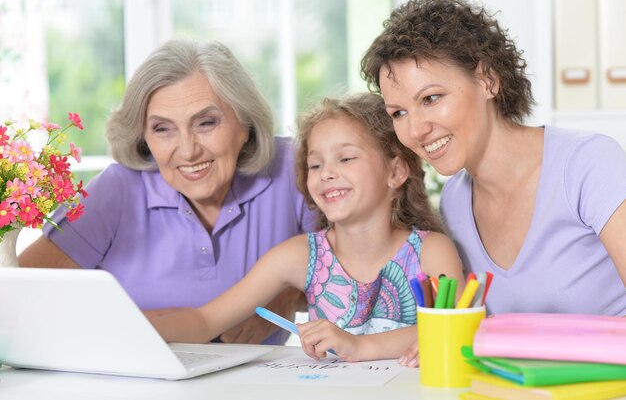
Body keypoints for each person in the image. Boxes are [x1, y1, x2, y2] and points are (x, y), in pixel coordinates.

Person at [18, 39, 317, 344]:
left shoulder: (294, 169)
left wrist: (285, 294)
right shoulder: (117, 190)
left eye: (206, 123)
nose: (187, 151)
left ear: (245, 122)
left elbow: (348, 273)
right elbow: (21, 293)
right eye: (162, 129)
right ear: (144, 136)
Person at [146, 92, 465, 366]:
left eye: (346, 158)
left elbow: (460, 329)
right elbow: (206, 320)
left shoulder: (431, 251)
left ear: (395, 171)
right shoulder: (300, 255)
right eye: (315, 164)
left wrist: (359, 346)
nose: (327, 173)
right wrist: (134, 328)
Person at [361, 0, 626, 316]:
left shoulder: (588, 163)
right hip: (511, 369)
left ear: (487, 80)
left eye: (431, 98)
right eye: (399, 113)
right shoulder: (455, 202)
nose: (415, 130)